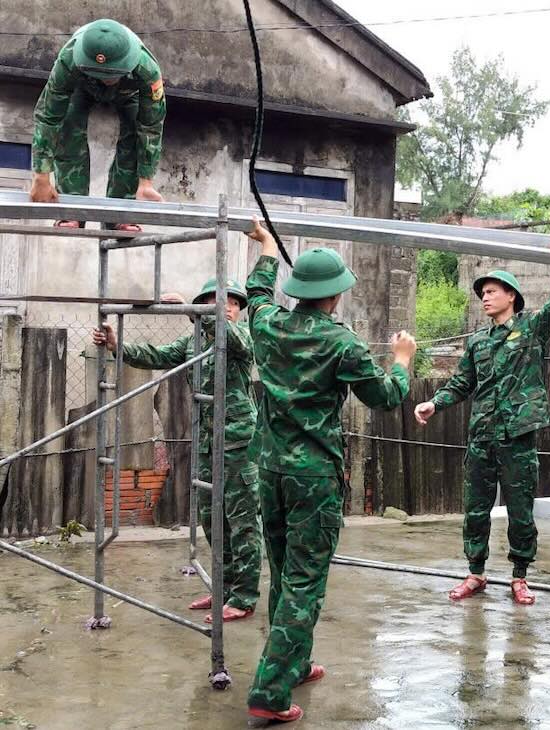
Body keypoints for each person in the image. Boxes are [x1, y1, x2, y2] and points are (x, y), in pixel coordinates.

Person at [244, 220, 415, 724]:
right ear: (335, 294)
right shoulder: (343, 344)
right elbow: (386, 397)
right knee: (304, 582)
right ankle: (270, 691)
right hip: (313, 477)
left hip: (270, 470)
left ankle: (293, 664)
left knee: (284, 572)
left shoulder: (267, 325)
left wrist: (268, 248)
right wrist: (402, 360)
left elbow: (256, 293)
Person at [414, 239, 550, 606]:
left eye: (491, 292)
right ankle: (476, 572)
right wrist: (435, 403)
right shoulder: (478, 342)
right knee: (475, 509)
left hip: (517, 436)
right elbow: (462, 383)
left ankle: (520, 576)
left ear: (511, 296)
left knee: (521, 511)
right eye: (482, 293)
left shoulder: (532, 329)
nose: (485, 298)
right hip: (482, 436)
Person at [92, 279, 261, 623]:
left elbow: (229, 337)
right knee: (211, 521)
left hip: (239, 444)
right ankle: (224, 589)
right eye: (217, 301)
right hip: (206, 444)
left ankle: (244, 597)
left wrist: (192, 310)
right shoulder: (193, 343)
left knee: (242, 522)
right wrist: (116, 345)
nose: (227, 307)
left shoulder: (244, 336)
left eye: (233, 303)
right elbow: (156, 355)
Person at [31, 18, 165, 230]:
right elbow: (49, 117)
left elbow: (151, 126)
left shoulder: (147, 69)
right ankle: (72, 209)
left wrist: (146, 181)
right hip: (81, 86)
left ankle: (122, 211)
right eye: (101, 74)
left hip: (129, 91)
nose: (106, 80)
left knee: (133, 136)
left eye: (110, 75)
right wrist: (41, 176)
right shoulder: (68, 60)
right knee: (68, 126)